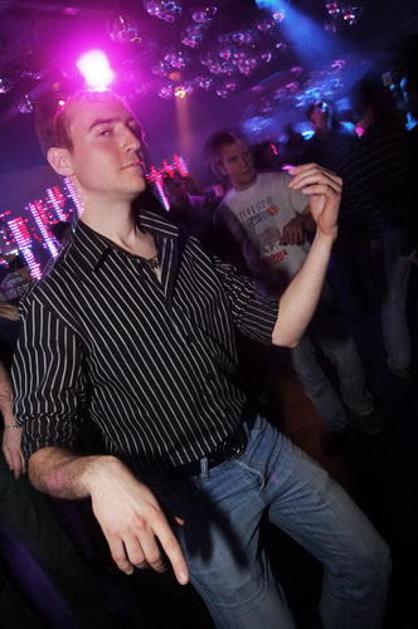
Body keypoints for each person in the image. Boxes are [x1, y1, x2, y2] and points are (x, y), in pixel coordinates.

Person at [12, 89, 390, 629]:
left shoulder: (181, 244)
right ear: (63, 161)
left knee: (369, 562)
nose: (132, 141)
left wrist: (325, 235)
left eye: (132, 126)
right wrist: (94, 472)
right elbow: (41, 452)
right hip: (192, 493)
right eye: (105, 131)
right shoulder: (54, 302)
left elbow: (279, 328)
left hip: (261, 444)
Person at [208, 130, 383, 442]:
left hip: (312, 287)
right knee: (306, 369)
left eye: (246, 153)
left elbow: (315, 214)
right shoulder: (223, 212)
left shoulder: (279, 182)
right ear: (221, 167)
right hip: (273, 301)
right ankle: (337, 425)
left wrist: (302, 221)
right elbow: (234, 261)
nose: (244, 162)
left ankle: (363, 409)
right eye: (234, 159)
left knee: (344, 352)